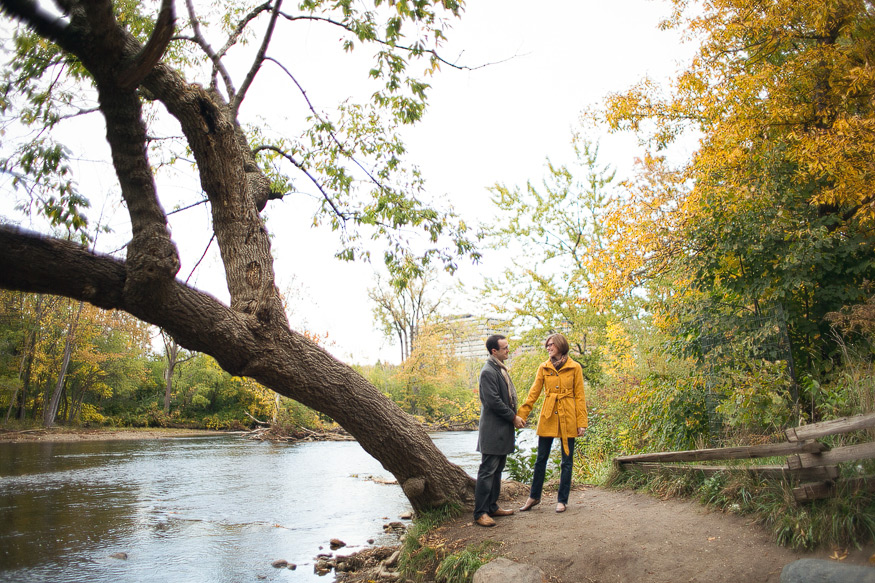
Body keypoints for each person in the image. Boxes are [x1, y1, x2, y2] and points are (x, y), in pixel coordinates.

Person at [517, 333, 588, 513]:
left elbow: (580, 396)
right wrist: (521, 415)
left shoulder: (575, 367)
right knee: (541, 459)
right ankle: (533, 497)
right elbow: (534, 392)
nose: (548, 347)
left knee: (567, 461)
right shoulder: (544, 367)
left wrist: (582, 423)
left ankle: (562, 500)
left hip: (568, 416)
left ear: (560, 345)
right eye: (547, 345)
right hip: (548, 415)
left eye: (551, 345)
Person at [473, 334, 526, 527]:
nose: (508, 350)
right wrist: (513, 417)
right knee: (487, 471)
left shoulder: (499, 369)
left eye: (508, 347)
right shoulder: (488, 371)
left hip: (501, 430)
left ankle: (492, 507)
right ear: (494, 351)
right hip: (492, 431)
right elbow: (493, 402)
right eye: (504, 348)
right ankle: (480, 513)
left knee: (497, 471)